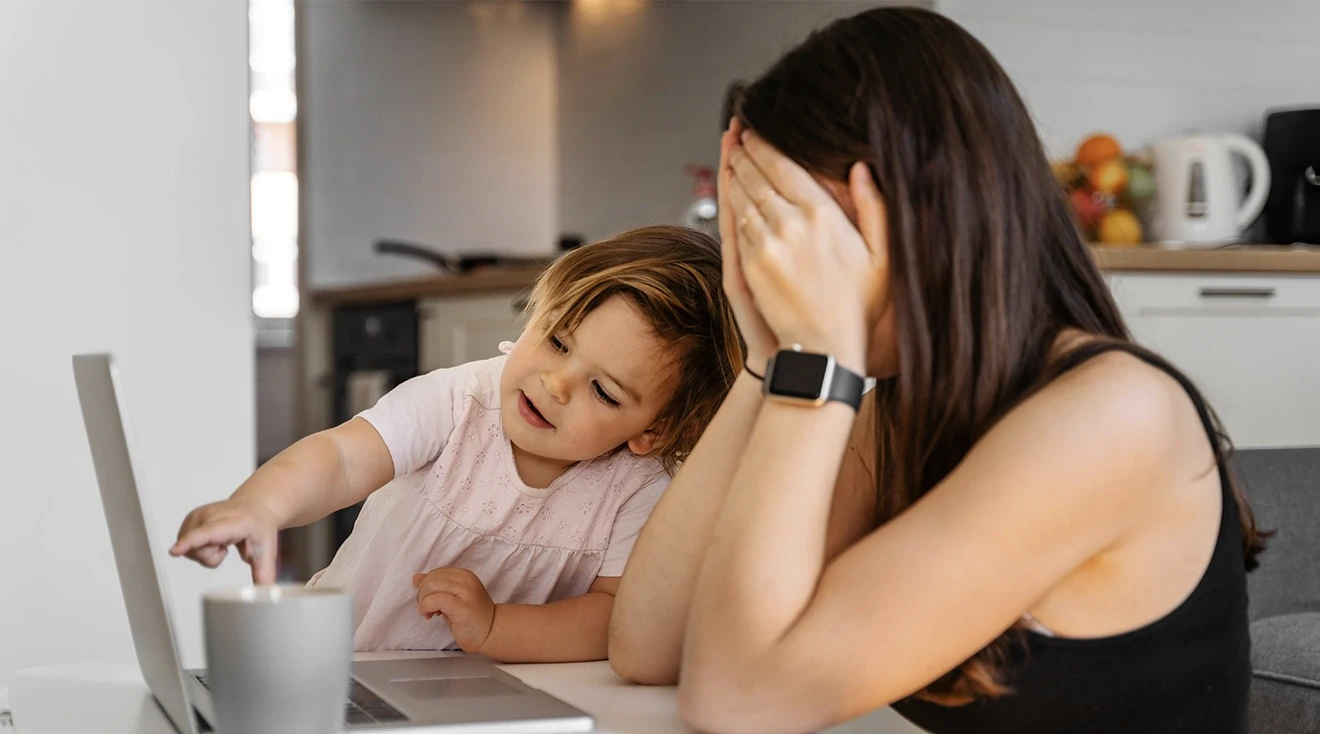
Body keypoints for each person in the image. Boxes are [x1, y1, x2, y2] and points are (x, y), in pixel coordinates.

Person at [609, 8, 1264, 733]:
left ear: (921, 211)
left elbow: (739, 700)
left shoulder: (1117, 417)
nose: (779, 271)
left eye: (799, 234)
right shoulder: (892, 398)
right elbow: (651, 646)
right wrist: (766, 363)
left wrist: (815, 363)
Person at [171, 226, 743, 663]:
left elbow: (614, 614)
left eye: (602, 391)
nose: (555, 384)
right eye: (558, 342)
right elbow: (343, 459)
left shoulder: (639, 489)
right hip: (347, 662)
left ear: (654, 432)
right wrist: (260, 506)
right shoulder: (458, 402)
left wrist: (496, 627)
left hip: (490, 695)